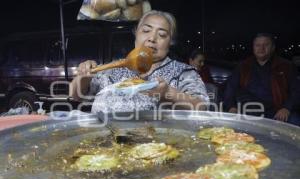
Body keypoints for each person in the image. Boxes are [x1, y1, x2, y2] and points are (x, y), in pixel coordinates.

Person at [70, 10, 209, 113]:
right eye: (146, 30)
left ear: (170, 42)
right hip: (103, 142)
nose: (152, 38)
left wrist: (169, 94)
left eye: (162, 35)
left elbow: (202, 106)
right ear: (136, 33)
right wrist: (83, 77)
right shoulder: (112, 67)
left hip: (157, 147)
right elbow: (75, 96)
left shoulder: (183, 72)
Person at [223, 33, 300, 126]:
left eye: (266, 45)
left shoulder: (286, 66)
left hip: (276, 111)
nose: (261, 48)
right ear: (253, 47)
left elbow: (296, 91)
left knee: (295, 122)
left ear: (273, 47)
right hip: (248, 110)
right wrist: (232, 106)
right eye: (258, 45)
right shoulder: (243, 66)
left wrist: (287, 108)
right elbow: (230, 88)